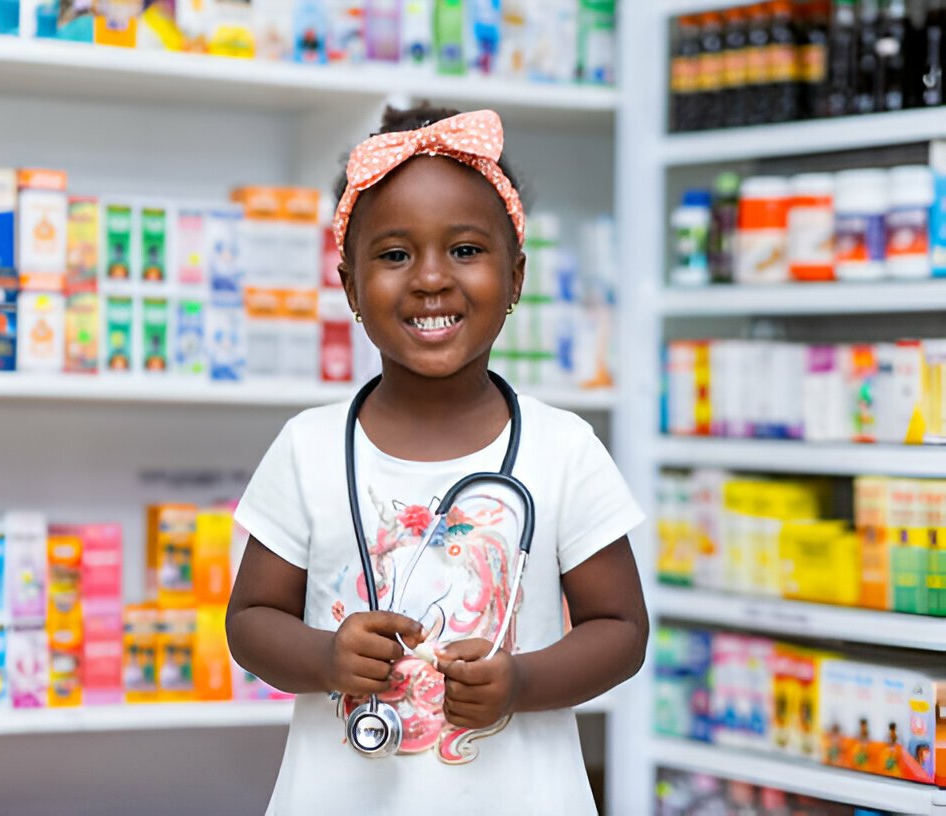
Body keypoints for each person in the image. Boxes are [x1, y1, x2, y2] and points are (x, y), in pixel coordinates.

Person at [226, 105, 648, 815]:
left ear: (516, 278)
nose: (429, 279)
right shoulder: (307, 447)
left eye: (464, 251)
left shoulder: (564, 449)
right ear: (351, 286)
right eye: (394, 255)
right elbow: (250, 621)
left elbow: (622, 631)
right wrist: (327, 657)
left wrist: (521, 682)